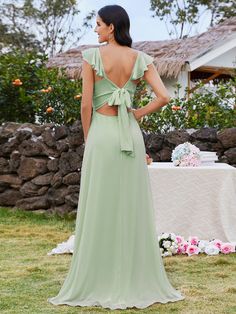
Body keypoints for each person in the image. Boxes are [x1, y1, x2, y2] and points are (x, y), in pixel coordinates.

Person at [48, 4, 185, 310]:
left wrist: (89, 137)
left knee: (100, 203)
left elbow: (86, 106)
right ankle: (132, 276)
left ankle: (99, 276)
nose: (95, 29)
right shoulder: (140, 59)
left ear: (111, 27)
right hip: (129, 135)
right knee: (130, 205)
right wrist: (136, 113)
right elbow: (164, 97)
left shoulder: (92, 57)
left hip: (102, 133)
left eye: (98, 24)